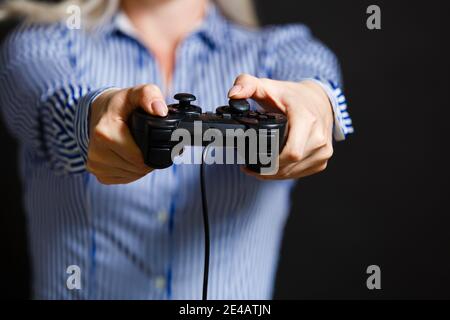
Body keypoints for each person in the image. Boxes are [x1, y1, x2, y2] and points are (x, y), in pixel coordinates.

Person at [0, 0, 353, 299]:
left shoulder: (282, 49)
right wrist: (94, 117)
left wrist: (315, 102)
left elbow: (316, 77)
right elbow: (53, 105)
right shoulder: (41, 44)